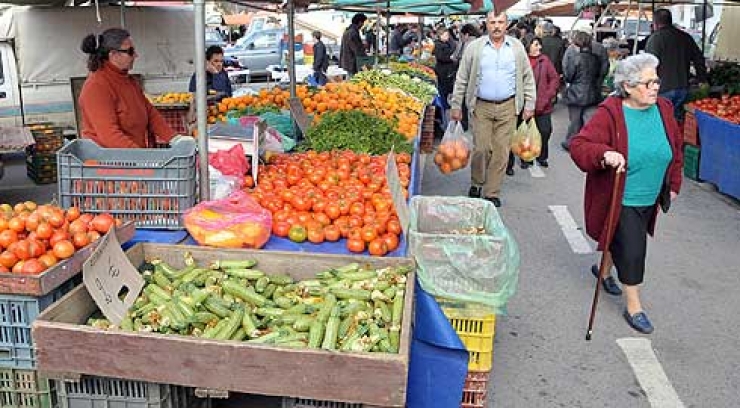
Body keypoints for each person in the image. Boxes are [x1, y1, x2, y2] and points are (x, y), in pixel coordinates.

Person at [569, 53, 684, 334]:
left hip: (651, 196)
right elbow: (580, 145)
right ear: (628, 87)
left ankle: (604, 271)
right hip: (623, 196)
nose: (655, 87)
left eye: (656, 81)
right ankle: (634, 306)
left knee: (622, 238)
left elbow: (676, 148)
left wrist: (674, 183)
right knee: (633, 251)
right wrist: (605, 153)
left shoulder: (665, 109)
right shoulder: (611, 112)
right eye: (648, 83)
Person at [450, 11, 536, 208]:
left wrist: (530, 104)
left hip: (508, 106)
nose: (496, 26)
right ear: (486, 25)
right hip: (481, 106)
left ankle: (492, 191)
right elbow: (462, 77)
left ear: (506, 24)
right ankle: (476, 182)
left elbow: (527, 77)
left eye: (500, 22)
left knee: (501, 151)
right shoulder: (475, 47)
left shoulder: (516, 48)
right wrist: (456, 105)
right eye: (492, 22)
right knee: (481, 149)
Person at [78, 28, 176, 148]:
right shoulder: (96, 87)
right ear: (113, 54)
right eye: (130, 51)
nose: (136, 55)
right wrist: (143, 158)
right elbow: (109, 135)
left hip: (133, 158)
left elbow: (150, 114)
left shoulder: (129, 80)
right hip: (109, 162)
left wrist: (175, 138)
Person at [645, 8, 707, 120]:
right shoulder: (685, 37)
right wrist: (701, 78)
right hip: (682, 88)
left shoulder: (655, 39)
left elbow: (649, 66)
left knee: (661, 121)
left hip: (662, 89)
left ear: (656, 23)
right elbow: (699, 59)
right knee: (676, 121)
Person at [561, 31, 608, 151]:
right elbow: (602, 72)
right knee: (589, 120)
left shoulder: (575, 59)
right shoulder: (596, 58)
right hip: (593, 92)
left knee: (575, 121)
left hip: (576, 92)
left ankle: (571, 143)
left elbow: (569, 76)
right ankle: (589, 143)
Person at [523, 35, 560, 168]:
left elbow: (554, 79)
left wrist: (548, 94)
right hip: (526, 104)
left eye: (539, 44)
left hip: (543, 104)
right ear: (528, 46)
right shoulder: (523, 61)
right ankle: (526, 157)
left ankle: (542, 155)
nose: (539, 47)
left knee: (545, 131)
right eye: (535, 44)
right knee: (526, 132)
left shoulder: (545, 60)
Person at [434, 27, 456, 106]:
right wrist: (451, 58)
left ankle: (446, 103)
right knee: (443, 88)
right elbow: (440, 57)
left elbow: (453, 46)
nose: (448, 37)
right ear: (440, 35)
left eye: (448, 35)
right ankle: (444, 104)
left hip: (448, 69)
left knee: (448, 88)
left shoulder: (448, 42)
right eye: (446, 35)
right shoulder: (438, 44)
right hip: (442, 70)